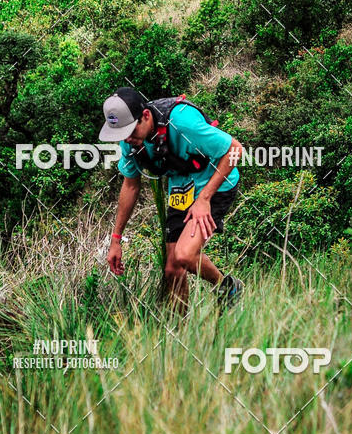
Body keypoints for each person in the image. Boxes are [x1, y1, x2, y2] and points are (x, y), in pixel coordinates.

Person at [99, 87, 244, 313]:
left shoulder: (182, 122)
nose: (127, 139)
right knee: (172, 270)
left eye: (131, 130)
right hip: (181, 187)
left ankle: (228, 287)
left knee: (185, 255)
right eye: (121, 134)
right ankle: (180, 329)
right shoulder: (129, 141)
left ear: (145, 115)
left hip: (216, 183)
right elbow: (130, 185)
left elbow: (235, 150)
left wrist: (204, 198)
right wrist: (116, 239)